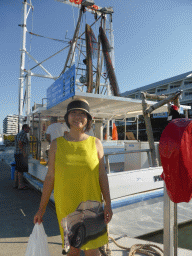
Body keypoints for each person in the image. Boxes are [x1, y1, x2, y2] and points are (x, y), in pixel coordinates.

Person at [34, 98, 113, 256]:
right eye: (74, 112)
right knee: (72, 250)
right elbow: (50, 177)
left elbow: (102, 176)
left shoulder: (96, 143)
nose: (78, 116)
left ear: (88, 119)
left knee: (92, 250)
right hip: (67, 206)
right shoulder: (56, 144)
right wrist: (41, 209)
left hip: (93, 206)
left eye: (82, 113)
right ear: (67, 117)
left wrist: (108, 204)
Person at [14, 124, 30, 190]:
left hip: (16, 153)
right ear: (25, 128)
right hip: (20, 154)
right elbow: (20, 142)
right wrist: (24, 153)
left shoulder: (19, 133)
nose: (29, 130)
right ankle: (20, 185)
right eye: (28, 128)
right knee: (20, 170)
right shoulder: (23, 134)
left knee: (17, 169)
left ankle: (15, 184)